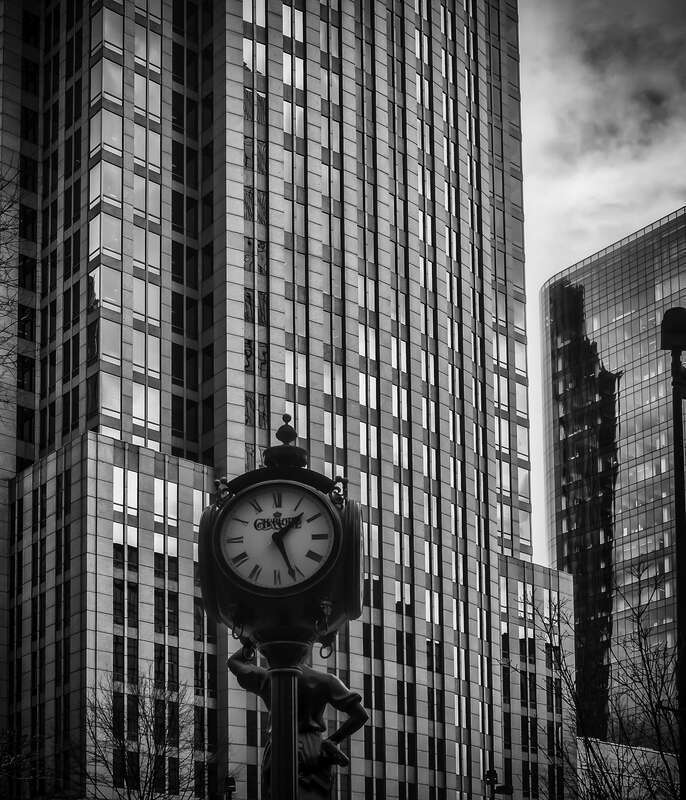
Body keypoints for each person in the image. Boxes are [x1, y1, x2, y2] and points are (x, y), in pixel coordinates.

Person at [228, 645, 368, 799]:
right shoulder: (326, 680)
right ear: (306, 650)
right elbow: (360, 715)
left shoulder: (268, 677)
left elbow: (234, 662)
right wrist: (333, 740)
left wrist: (250, 640)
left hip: (279, 746)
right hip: (314, 748)